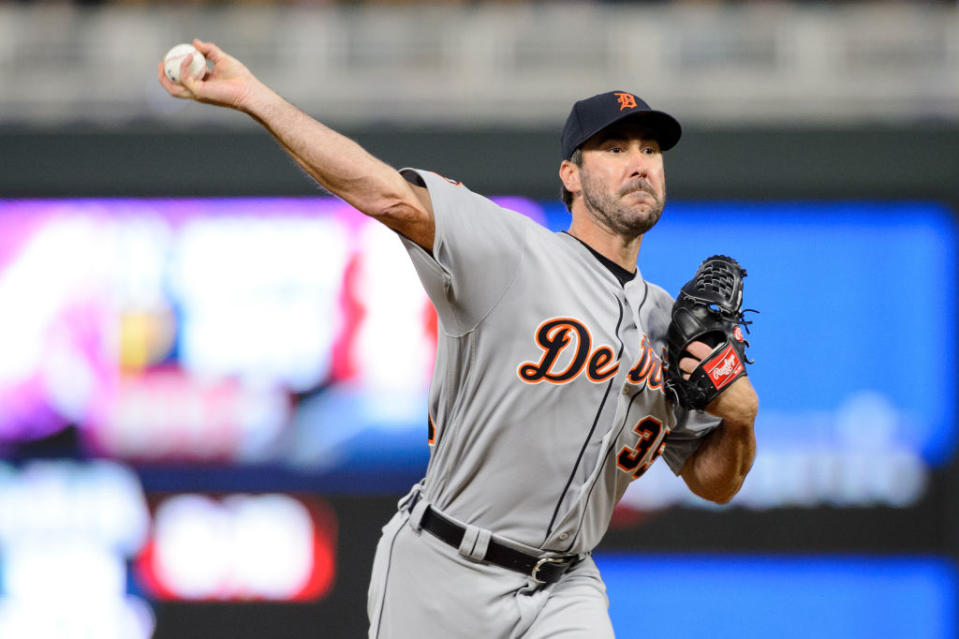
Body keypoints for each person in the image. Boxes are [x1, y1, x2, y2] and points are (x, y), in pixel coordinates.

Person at [158, 40, 758, 638]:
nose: (640, 162)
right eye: (616, 147)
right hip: (445, 568)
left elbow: (715, 482)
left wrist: (739, 421)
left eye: (651, 149)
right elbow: (384, 193)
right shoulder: (512, 251)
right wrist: (254, 97)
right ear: (570, 176)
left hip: (565, 586)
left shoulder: (670, 326)